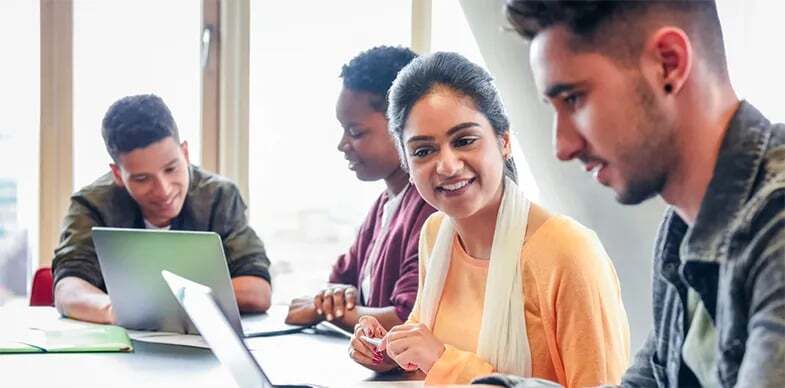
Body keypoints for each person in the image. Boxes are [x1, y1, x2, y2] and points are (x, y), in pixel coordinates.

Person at [504, 1, 785, 387]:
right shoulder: (680, 228)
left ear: (668, 64)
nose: (562, 146)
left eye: (573, 99)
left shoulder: (777, 231)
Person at [349, 52, 630, 387]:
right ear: (407, 165)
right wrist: (387, 352)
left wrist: (444, 361)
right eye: (424, 151)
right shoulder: (435, 234)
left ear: (505, 141)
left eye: (464, 140)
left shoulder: (568, 253)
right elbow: (425, 359)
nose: (448, 166)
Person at [52, 94, 272, 324]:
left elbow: (257, 290)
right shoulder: (92, 204)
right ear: (118, 174)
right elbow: (68, 288)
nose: (163, 190)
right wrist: (114, 311)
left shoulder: (219, 197)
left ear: (185, 153)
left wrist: (156, 303)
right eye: (142, 178)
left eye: (171, 169)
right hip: (122, 346)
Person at [285, 46, 437, 331]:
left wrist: (323, 310)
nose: (343, 144)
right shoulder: (384, 205)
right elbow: (339, 283)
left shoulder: (431, 209)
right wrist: (332, 302)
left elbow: (407, 320)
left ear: (403, 125)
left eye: (355, 132)